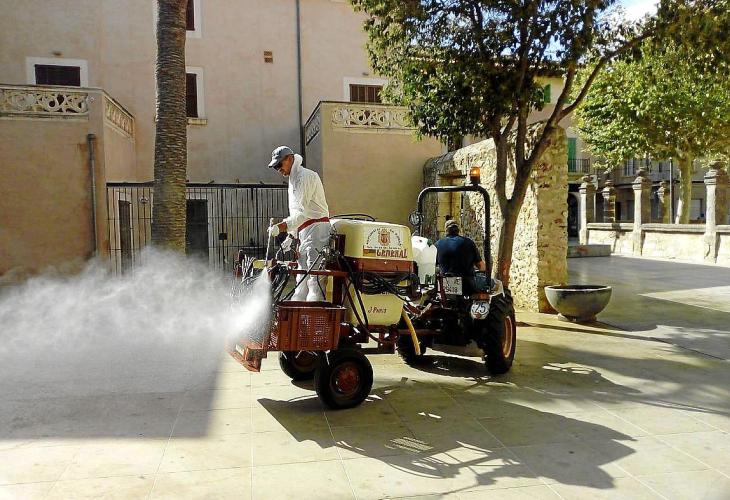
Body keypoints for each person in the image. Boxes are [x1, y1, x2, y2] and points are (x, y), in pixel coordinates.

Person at [267, 146, 330, 301]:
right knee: (301, 277)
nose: (278, 170)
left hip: (316, 229)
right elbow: (297, 214)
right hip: (305, 231)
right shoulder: (293, 180)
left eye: (279, 165)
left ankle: (315, 311)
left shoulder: (305, 176)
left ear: (289, 159)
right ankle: (298, 309)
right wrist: (291, 236)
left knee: (314, 276)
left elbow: (302, 213)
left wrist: (281, 227)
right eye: (275, 167)